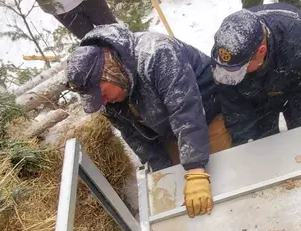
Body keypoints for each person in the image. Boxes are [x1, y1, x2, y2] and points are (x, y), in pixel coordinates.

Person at [65, 24, 229, 217]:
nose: (103, 102)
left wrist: (195, 170)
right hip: (168, 130)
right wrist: (163, 176)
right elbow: (134, 136)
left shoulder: (157, 54)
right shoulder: (108, 98)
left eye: (102, 94)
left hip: (206, 115)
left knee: (221, 184)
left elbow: (186, 111)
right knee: (182, 194)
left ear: (109, 73)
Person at [210, 4, 301, 144]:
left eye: (240, 69)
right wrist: (248, 142)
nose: (232, 74)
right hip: (256, 96)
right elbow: (235, 108)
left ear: (261, 51)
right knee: (263, 142)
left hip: (294, 85)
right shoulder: (224, 56)